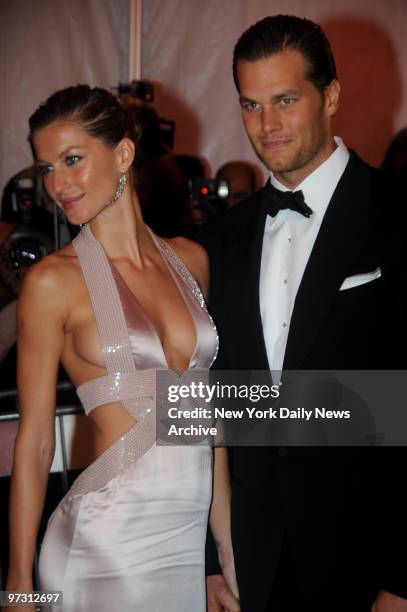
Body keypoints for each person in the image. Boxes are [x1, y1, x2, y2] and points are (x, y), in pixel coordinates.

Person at [201, 15, 407, 612]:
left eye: (285, 101)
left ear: (332, 95)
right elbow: (213, 399)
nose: (267, 126)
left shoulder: (395, 218)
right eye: (251, 104)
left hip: (369, 561)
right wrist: (212, 560)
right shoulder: (220, 238)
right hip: (252, 566)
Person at [5, 85, 237, 612]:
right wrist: (17, 589)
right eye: (46, 169)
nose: (57, 185)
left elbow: (206, 423)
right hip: (103, 547)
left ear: (124, 153)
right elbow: (36, 442)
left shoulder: (191, 261)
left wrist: (226, 554)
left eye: (72, 160)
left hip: (183, 545)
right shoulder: (52, 283)